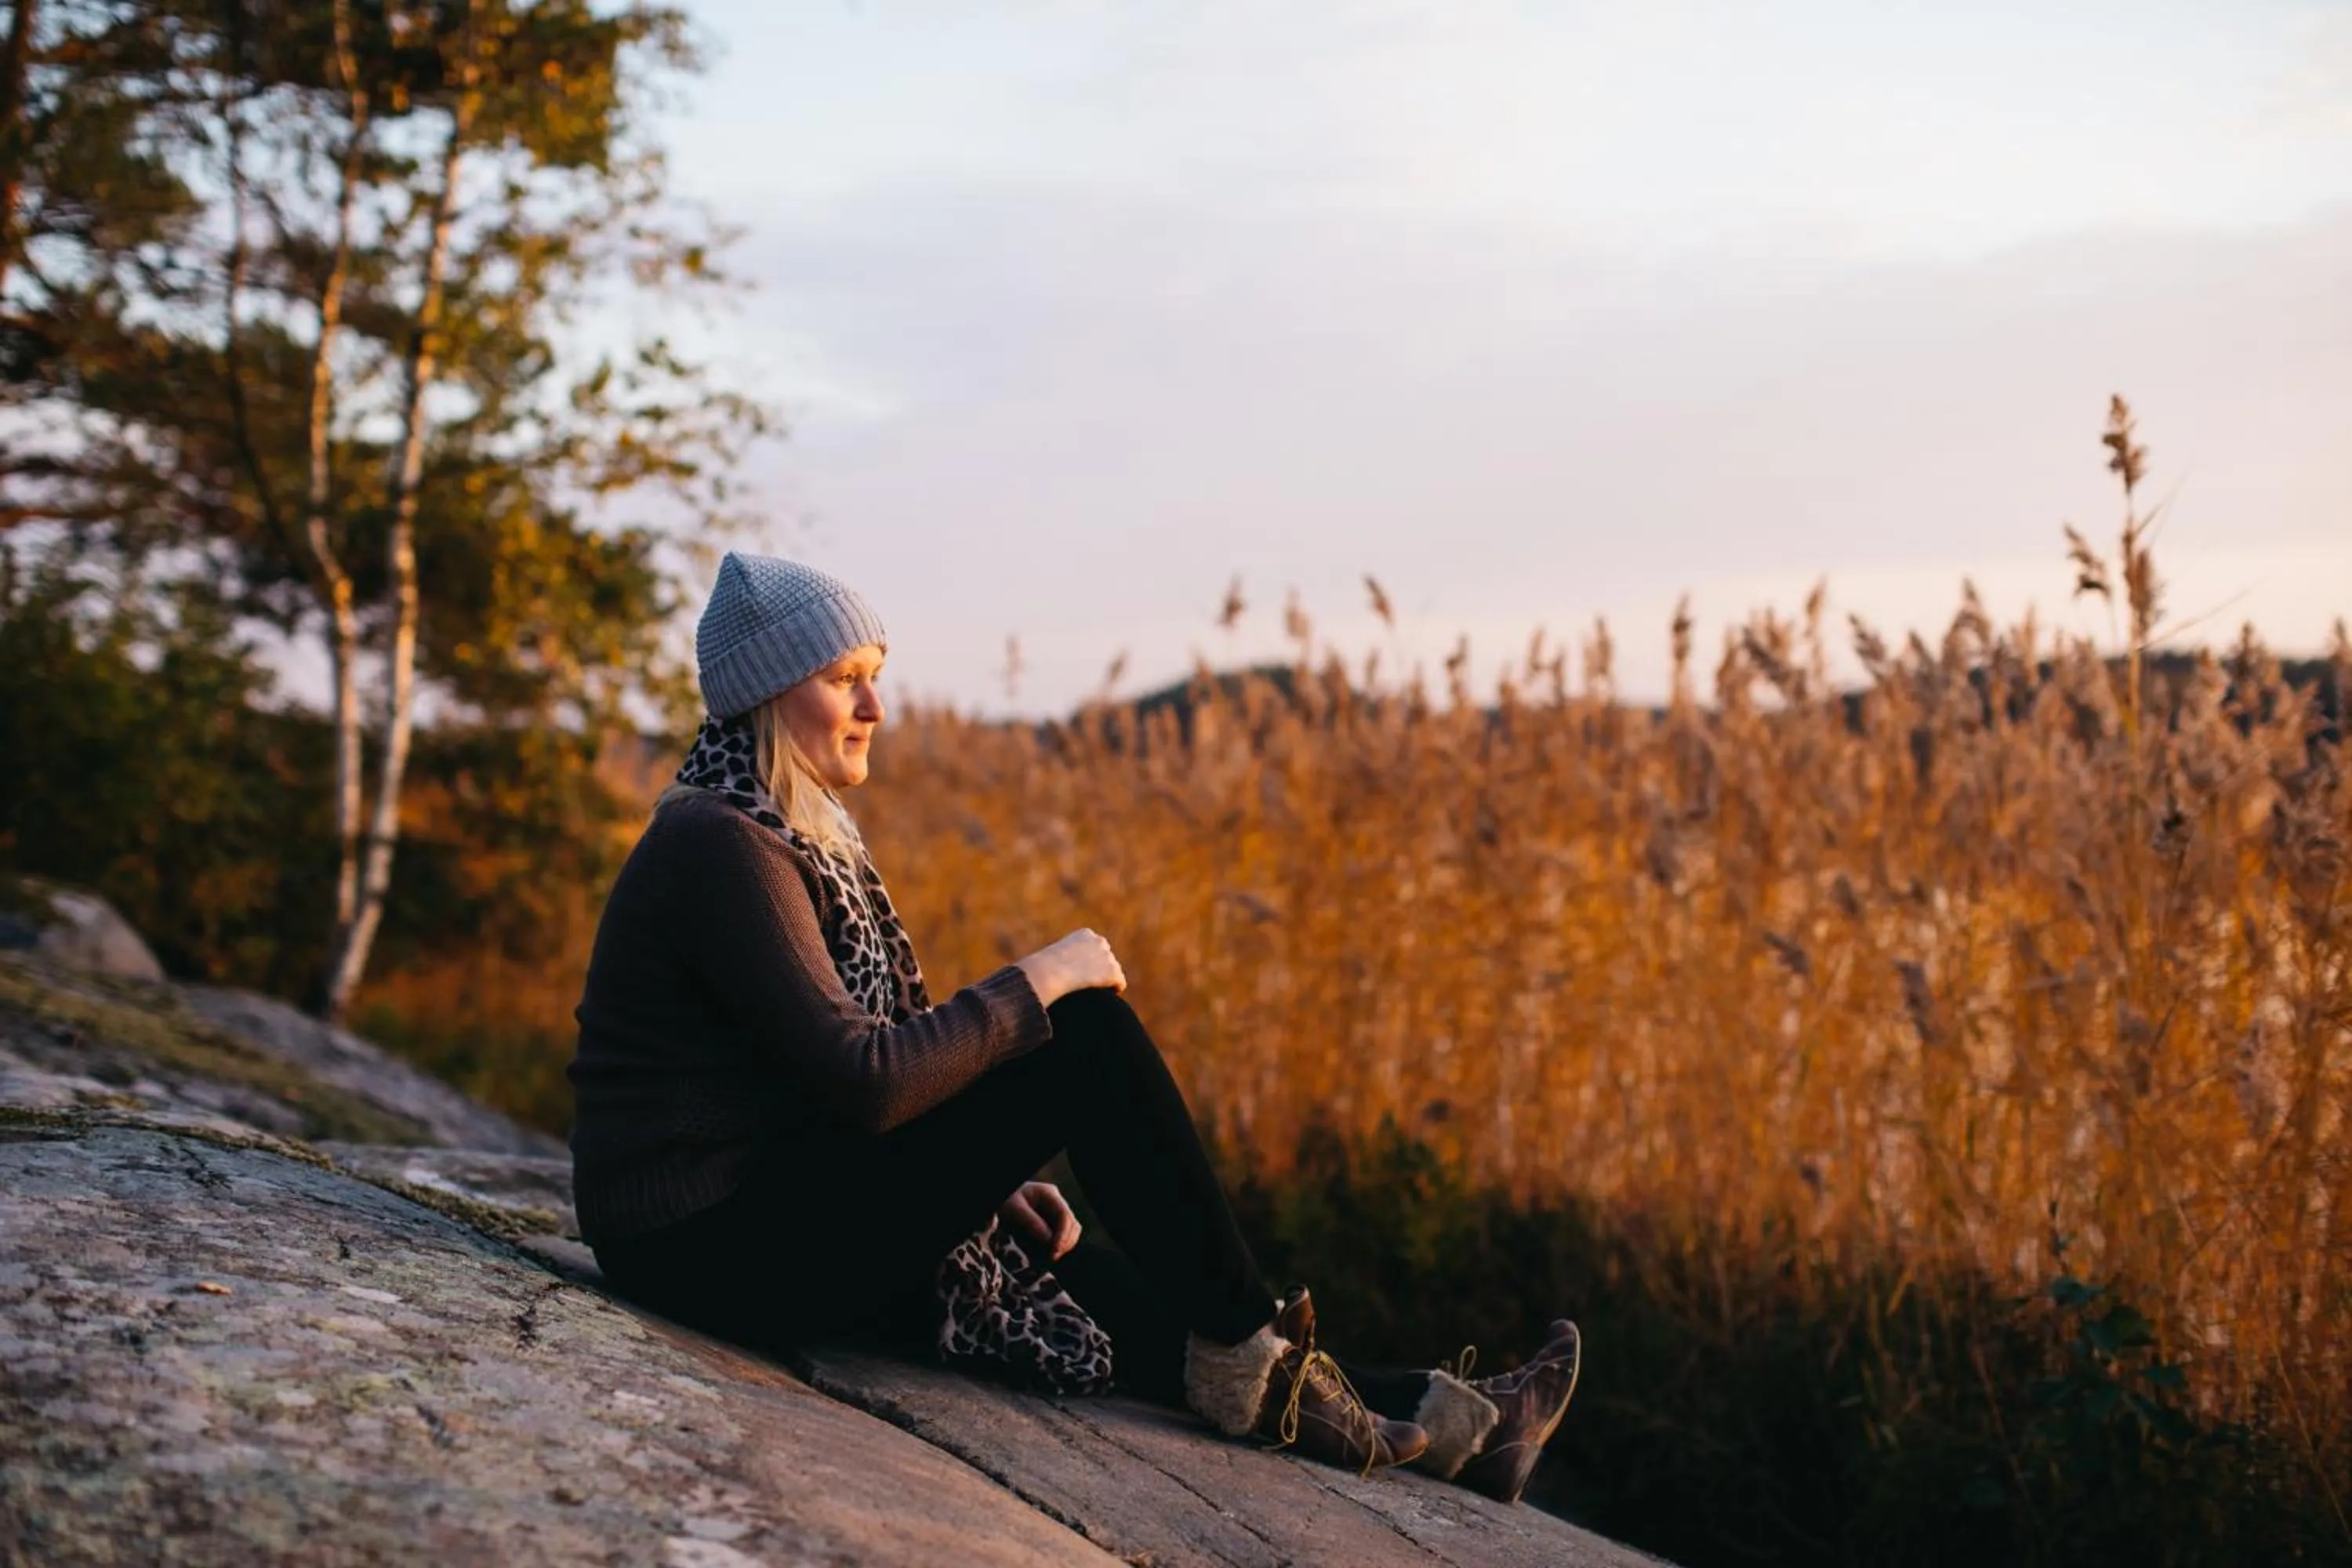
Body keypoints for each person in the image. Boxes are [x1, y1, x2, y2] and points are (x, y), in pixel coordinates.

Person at [568, 552, 1582, 1500]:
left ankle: (1461, 1424)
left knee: (1082, 1286)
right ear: (766, 693)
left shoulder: (779, 832)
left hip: (755, 1215)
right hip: (702, 1243)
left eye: (875, 675)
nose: (876, 706)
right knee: (1084, 1033)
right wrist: (1037, 983)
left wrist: (995, 1184)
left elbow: (806, 1071)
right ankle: (1258, 1359)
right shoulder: (720, 845)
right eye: (844, 679)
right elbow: (863, 1079)